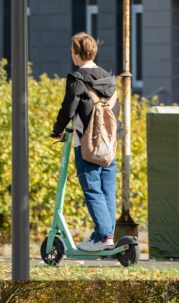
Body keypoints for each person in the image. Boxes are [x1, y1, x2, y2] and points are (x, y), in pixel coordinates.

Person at [50, 32, 120, 252]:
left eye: (72, 51)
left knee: (92, 189)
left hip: (87, 144)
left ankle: (103, 238)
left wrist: (57, 131)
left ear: (77, 54)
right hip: (109, 145)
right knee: (108, 191)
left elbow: (68, 108)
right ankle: (104, 234)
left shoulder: (78, 78)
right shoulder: (109, 78)